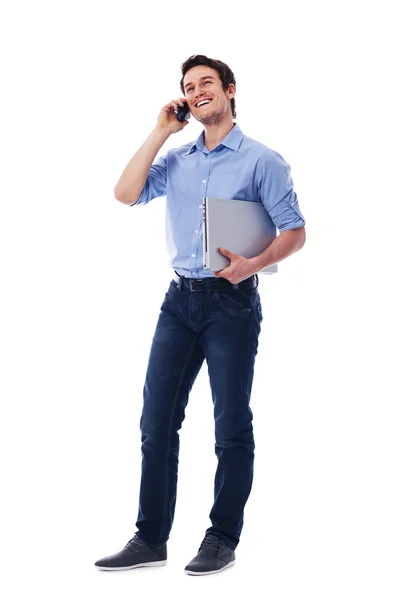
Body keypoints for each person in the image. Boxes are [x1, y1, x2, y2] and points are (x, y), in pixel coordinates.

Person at [95, 54, 306, 576]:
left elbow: (295, 231)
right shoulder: (179, 160)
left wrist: (253, 264)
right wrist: (161, 130)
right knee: (156, 422)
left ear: (230, 90)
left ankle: (221, 537)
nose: (196, 91)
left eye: (206, 83)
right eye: (188, 87)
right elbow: (124, 194)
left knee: (231, 424)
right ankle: (150, 538)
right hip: (178, 302)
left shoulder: (263, 160)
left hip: (231, 302)